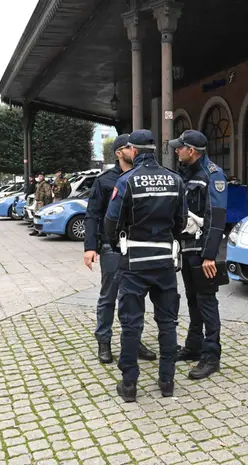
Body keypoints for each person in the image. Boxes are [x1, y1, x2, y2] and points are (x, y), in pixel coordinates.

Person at [104, 129, 187, 402]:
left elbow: (111, 222)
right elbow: (182, 223)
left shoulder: (127, 181)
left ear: (134, 151)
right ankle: (167, 381)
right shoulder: (176, 180)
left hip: (134, 263)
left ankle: (129, 385)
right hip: (164, 261)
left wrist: (119, 244)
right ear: (154, 149)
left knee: (131, 324)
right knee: (167, 323)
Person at [84, 134, 157, 364]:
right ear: (119, 153)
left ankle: (134, 341)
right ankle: (103, 340)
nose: (133, 149)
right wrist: (89, 247)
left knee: (136, 297)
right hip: (112, 247)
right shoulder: (105, 180)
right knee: (109, 296)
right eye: (128, 147)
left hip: (138, 246)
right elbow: (93, 215)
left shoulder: (143, 177)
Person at [170, 129, 228, 379]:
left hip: (202, 253)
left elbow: (217, 217)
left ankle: (211, 356)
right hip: (187, 250)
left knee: (206, 302)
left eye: (180, 147)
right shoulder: (187, 174)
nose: (176, 150)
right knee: (193, 299)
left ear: (191, 151)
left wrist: (209, 255)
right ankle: (194, 347)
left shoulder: (212, 175)